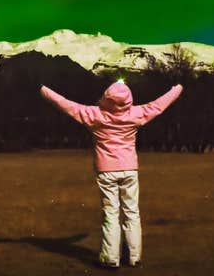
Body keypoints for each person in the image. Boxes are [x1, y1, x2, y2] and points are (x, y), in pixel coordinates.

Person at [40, 79, 184, 269]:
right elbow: (160, 104)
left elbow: (65, 104)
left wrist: (43, 89)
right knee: (132, 212)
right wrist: (178, 88)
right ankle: (134, 257)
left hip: (106, 170)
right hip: (130, 168)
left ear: (106, 97)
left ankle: (110, 258)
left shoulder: (94, 115)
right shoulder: (136, 113)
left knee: (111, 214)